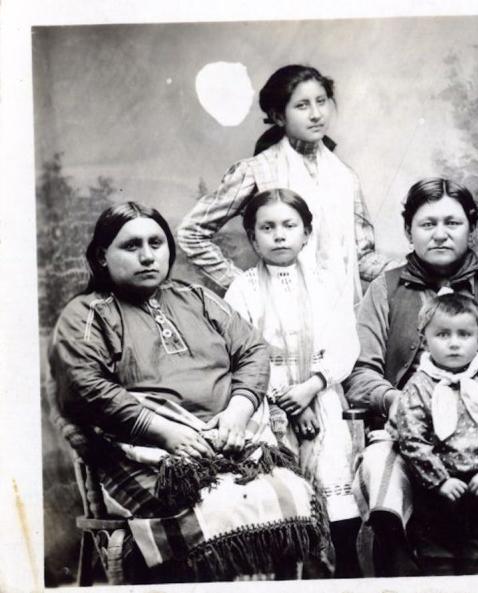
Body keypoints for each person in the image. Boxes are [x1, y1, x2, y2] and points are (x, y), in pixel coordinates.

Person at [48, 202, 332, 581]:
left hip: (230, 440)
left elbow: (252, 351)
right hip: (147, 458)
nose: (148, 256)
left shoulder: (197, 298)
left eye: (157, 243)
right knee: (219, 504)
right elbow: (85, 387)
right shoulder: (86, 315)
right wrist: (167, 433)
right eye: (131, 246)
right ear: (102, 256)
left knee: (293, 495)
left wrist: (238, 410)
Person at [344, 177, 478, 575]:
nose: (440, 234)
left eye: (452, 223)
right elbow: (359, 372)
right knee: (380, 474)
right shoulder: (384, 289)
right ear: (409, 230)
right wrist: (397, 403)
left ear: (471, 227)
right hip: (411, 439)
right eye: (427, 224)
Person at [222, 189, 361, 577]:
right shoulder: (243, 290)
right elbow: (243, 354)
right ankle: (287, 578)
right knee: (283, 491)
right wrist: (287, 402)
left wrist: (313, 385)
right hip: (269, 407)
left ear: (306, 233)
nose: (279, 235)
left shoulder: (327, 282)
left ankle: (347, 573)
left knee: (334, 482)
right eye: (267, 228)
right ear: (252, 238)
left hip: (322, 394)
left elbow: (345, 342)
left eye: (289, 226)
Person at [177, 64, 392, 303]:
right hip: (279, 311)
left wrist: (411, 268)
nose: (316, 114)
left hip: (340, 312)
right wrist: (244, 288)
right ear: (279, 116)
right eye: (302, 105)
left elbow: (361, 257)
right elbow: (190, 232)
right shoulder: (257, 170)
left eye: (321, 101)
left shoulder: (345, 176)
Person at [394, 293, 478, 575]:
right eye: (442, 334)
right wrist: (440, 481)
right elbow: (412, 439)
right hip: (436, 489)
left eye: (464, 334)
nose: (453, 343)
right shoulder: (418, 387)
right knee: (437, 558)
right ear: (425, 340)